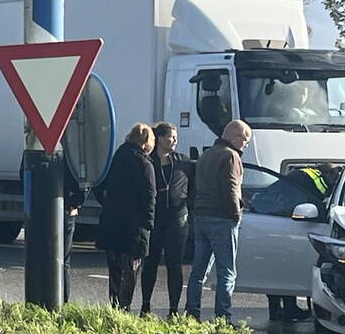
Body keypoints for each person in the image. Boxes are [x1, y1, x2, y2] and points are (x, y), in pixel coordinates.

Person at [184, 120, 252, 322]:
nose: (245, 145)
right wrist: (236, 215)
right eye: (245, 140)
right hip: (222, 218)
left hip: (201, 215)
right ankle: (223, 317)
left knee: (199, 271)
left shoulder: (206, 155)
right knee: (227, 272)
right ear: (235, 137)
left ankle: (192, 313)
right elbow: (231, 189)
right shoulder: (230, 157)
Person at [267, 162, 343, 321]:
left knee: (280, 269)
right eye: (335, 177)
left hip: (278, 221)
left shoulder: (305, 175)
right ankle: (287, 310)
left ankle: (280, 310)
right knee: (285, 269)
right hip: (288, 223)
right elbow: (314, 204)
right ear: (328, 174)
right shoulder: (312, 181)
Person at [94, 123, 156, 312]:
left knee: (115, 271)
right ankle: (124, 308)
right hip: (134, 227)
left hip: (112, 223)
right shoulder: (144, 164)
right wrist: (149, 222)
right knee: (131, 270)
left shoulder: (116, 159)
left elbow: (98, 185)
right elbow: (149, 196)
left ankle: (114, 307)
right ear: (147, 142)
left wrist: (109, 204)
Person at [140, 122, 195, 318]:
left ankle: (173, 309)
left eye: (175, 137)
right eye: (171, 137)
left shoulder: (183, 162)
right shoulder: (148, 161)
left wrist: (190, 209)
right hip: (154, 219)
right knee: (150, 262)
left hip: (177, 221)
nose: (175, 141)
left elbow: (194, 188)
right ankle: (145, 305)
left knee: (174, 264)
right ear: (160, 138)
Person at [19, 157, 88, 302]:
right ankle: (61, 302)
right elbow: (83, 177)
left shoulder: (35, 146)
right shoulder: (69, 148)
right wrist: (76, 202)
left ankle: (40, 300)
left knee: (40, 256)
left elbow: (24, 174)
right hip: (66, 208)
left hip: (40, 208)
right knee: (63, 260)